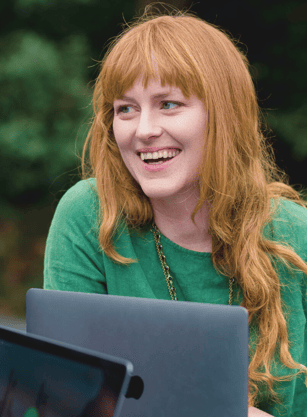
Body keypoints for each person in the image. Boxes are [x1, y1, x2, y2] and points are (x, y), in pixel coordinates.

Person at [43, 3, 307, 416]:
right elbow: (64, 396)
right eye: (125, 108)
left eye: (169, 104)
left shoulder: (296, 234)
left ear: (225, 116)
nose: (144, 130)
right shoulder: (89, 215)